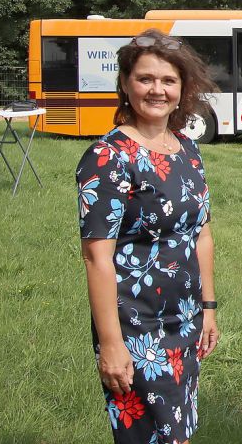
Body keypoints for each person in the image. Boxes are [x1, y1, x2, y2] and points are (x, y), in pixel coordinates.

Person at [77, 29, 220, 443]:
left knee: (180, 429)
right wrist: (111, 344)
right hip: (136, 326)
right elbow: (96, 258)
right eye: (145, 79)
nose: (157, 90)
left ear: (182, 89)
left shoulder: (188, 149)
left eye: (168, 80)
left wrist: (207, 308)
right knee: (152, 436)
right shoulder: (108, 157)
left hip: (186, 319)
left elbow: (202, 233)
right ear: (125, 84)